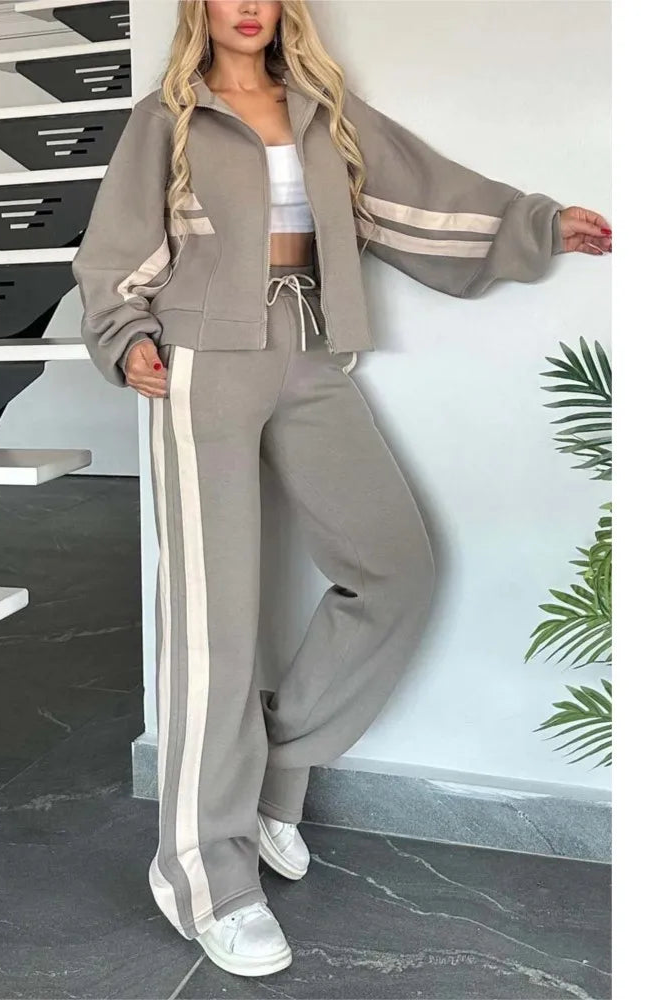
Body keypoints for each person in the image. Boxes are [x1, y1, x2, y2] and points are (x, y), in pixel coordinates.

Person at [71, 0, 611, 979]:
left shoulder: (322, 110)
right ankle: (206, 877)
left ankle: (278, 768)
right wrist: (126, 336)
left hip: (310, 354)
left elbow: (412, 194)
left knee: (396, 567)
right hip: (200, 367)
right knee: (214, 623)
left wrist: (534, 224)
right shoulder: (168, 119)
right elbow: (115, 252)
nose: (248, 6)